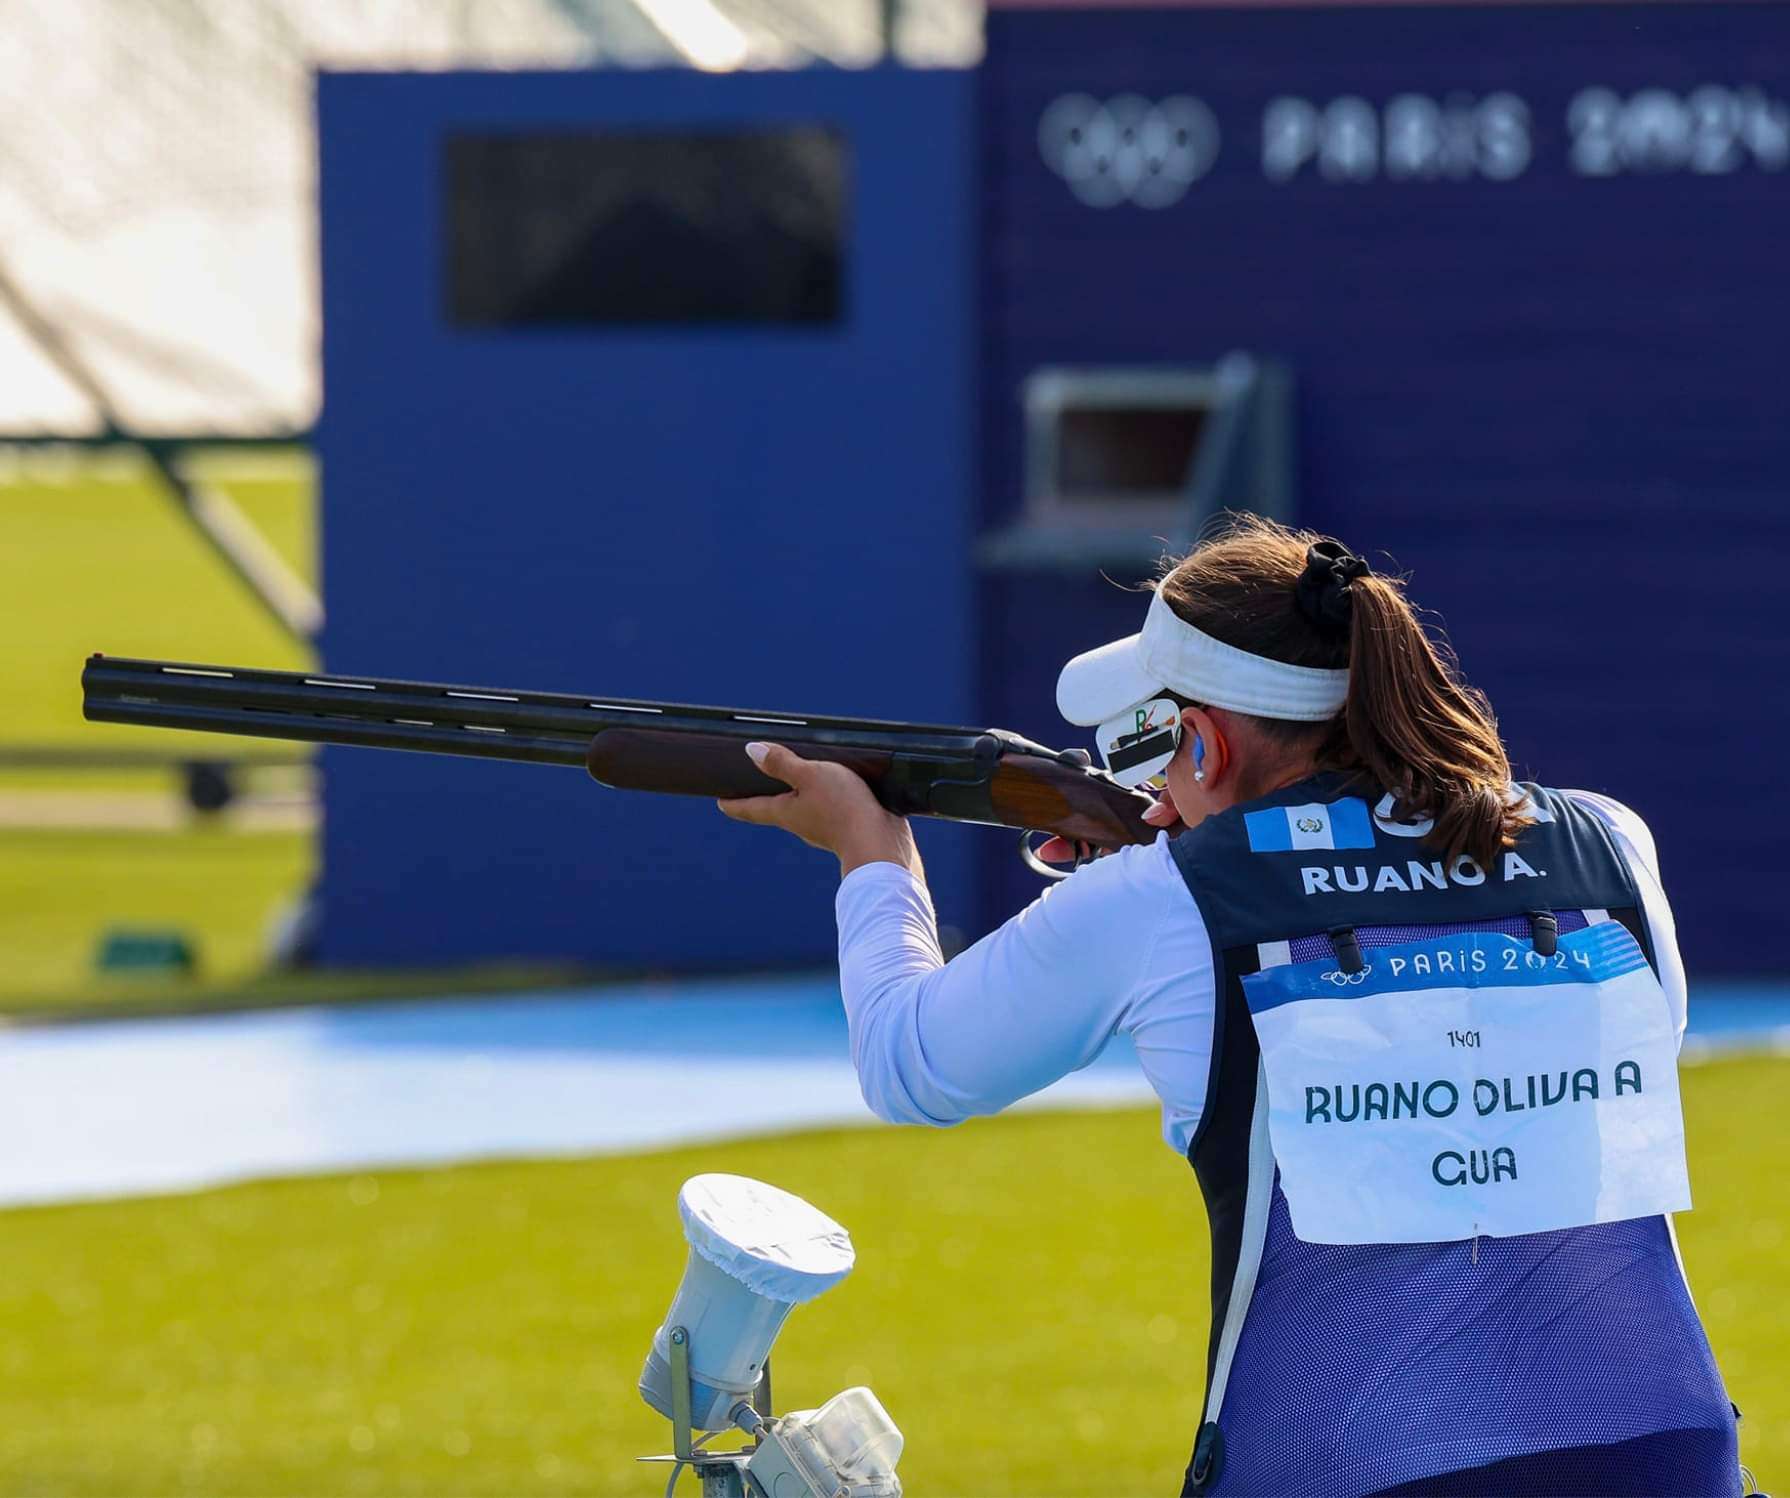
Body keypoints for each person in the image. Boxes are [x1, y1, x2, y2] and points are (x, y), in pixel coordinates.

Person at [717, 517, 1741, 1498]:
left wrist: (873, 854)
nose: (1153, 783)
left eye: (1155, 749)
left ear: (1201, 744)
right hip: (1666, 1454)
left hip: (1350, 1471)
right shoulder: (1609, 842)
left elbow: (906, 1064)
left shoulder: (1166, 898)